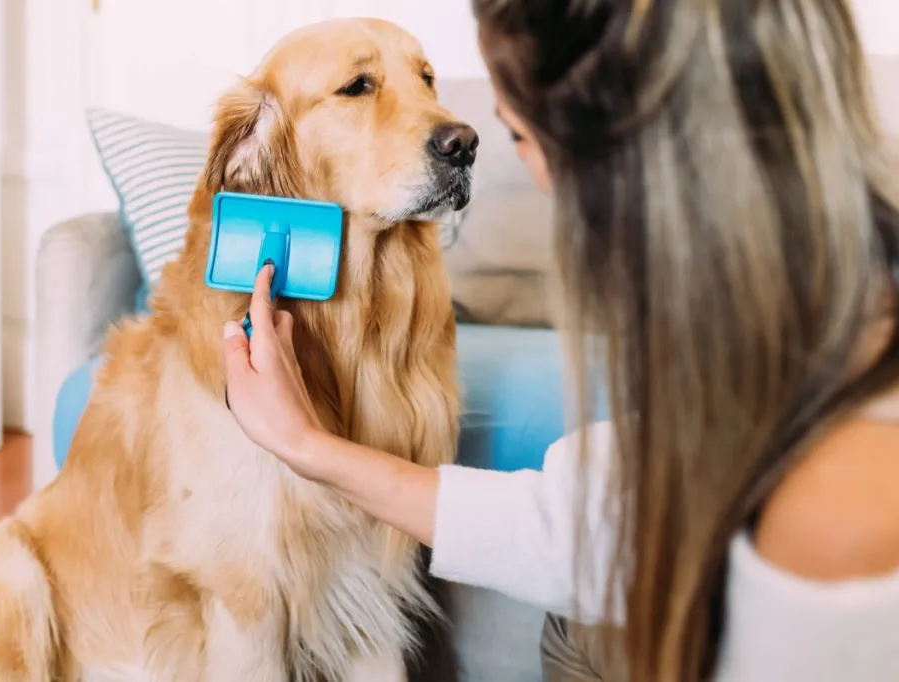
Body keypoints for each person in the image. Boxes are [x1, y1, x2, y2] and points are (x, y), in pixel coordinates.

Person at [223, 0, 899, 680]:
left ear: (627, 160)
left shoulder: (837, 507)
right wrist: (309, 447)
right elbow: (592, 528)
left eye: (515, 135)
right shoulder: (797, 348)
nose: (531, 176)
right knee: (579, 619)